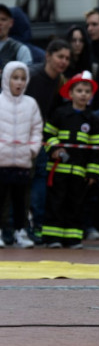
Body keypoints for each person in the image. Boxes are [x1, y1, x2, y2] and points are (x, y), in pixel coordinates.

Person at [40, 71, 99, 248]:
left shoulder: (92, 119)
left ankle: (73, 238)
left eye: (87, 91)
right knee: (55, 203)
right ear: (71, 93)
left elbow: (95, 149)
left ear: (91, 95)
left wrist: (92, 173)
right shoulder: (60, 113)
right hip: (58, 170)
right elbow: (47, 134)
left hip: (79, 173)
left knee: (76, 205)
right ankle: (53, 238)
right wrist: (53, 148)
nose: (83, 94)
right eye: (79, 90)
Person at [27, 39, 70, 241]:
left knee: (38, 182)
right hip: (21, 137)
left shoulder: (61, 82)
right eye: (60, 56)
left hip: (41, 138)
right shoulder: (32, 76)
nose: (63, 61)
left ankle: (35, 227)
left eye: (67, 58)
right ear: (47, 56)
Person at [0, 61, 43, 249]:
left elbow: (37, 129)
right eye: (15, 78)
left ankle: (20, 231)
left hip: (23, 162)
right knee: (1, 200)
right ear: (6, 79)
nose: (19, 82)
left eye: (23, 78)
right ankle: (1, 231)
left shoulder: (31, 103)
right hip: (2, 161)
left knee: (21, 201)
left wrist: (32, 149)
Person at [0, 4, 33, 71]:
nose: (0, 23)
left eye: (3, 19)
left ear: (11, 23)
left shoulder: (21, 50)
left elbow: (25, 78)